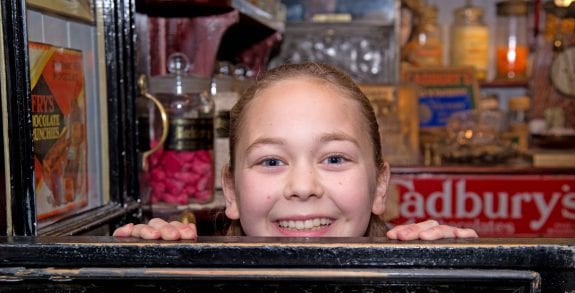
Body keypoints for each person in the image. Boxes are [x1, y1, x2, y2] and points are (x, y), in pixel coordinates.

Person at [114, 62, 477, 241]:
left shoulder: (422, 281)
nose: (303, 187)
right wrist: (148, 277)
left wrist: (461, 281)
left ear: (380, 186)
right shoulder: (199, 288)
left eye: (334, 159)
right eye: (271, 161)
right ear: (232, 191)